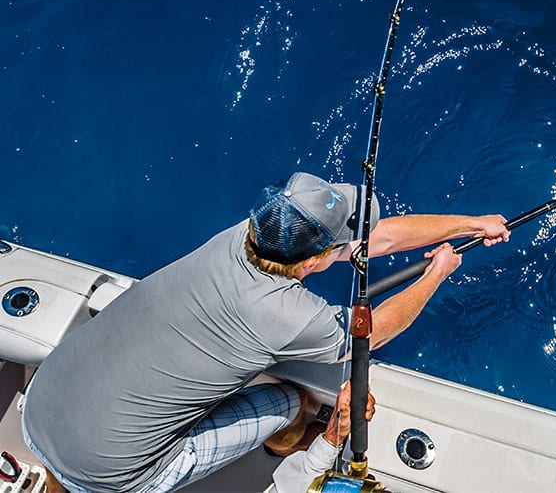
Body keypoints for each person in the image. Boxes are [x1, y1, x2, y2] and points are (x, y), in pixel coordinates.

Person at [21, 172, 509, 493]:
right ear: (317, 259)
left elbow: (373, 240)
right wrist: (435, 275)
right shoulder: (290, 315)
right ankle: (285, 441)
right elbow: (374, 331)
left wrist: (469, 224)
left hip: (41, 406)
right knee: (291, 401)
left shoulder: (252, 232)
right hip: (109, 476)